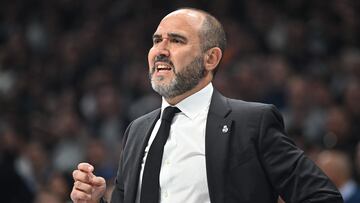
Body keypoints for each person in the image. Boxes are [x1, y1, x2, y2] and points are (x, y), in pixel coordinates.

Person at [71, 8, 343, 203]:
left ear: (210, 58)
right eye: (157, 40)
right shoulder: (137, 130)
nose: (161, 50)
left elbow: (321, 196)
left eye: (176, 40)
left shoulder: (251, 121)